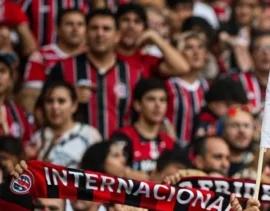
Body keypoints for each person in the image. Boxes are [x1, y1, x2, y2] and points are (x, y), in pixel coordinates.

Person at [47, 9, 145, 138]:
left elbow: (142, 118)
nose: (100, 34)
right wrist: (71, 99)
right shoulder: (64, 68)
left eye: (106, 29)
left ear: (117, 36)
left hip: (120, 151)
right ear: (86, 33)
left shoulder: (133, 74)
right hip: (76, 152)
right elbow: (41, 111)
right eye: (94, 28)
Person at [111, 77, 176, 175]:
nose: (158, 105)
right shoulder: (122, 137)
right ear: (137, 105)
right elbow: (115, 172)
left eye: (162, 100)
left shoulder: (170, 143)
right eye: (151, 99)